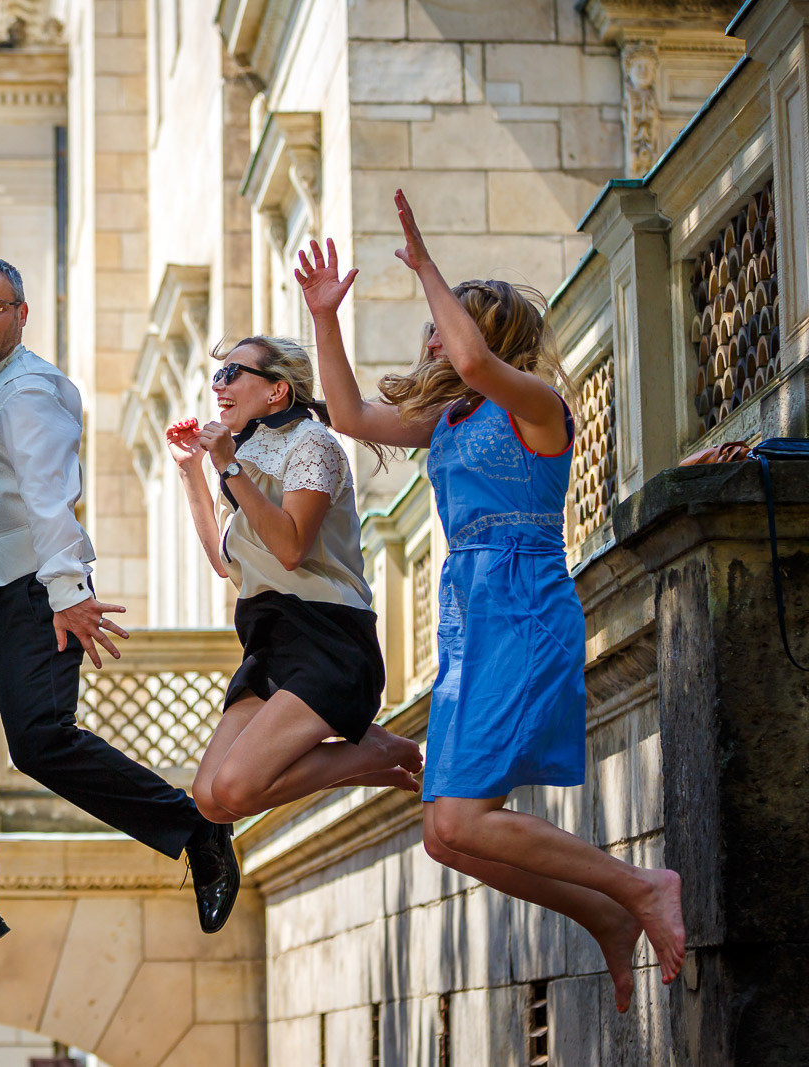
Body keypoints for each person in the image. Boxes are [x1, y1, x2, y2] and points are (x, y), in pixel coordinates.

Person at [296, 193, 685, 1013]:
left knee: (464, 819)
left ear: (488, 335)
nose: (432, 334)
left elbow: (474, 364)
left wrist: (427, 264)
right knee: (446, 834)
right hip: (471, 622)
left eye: (447, 321)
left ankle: (644, 886)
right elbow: (345, 414)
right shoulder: (449, 420)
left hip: (525, 612)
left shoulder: (538, 408)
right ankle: (606, 915)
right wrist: (324, 318)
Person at [0, 256, 241, 1001]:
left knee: (40, 742)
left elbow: (50, 499)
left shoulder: (31, 391)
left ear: (21, 313)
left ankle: (196, 830)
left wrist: (67, 593)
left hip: (36, 595)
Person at [163, 337, 423, 822]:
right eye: (218, 374)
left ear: (277, 391)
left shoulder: (313, 444)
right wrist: (191, 473)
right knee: (211, 799)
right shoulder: (244, 452)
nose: (218, 385)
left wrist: (229, 467)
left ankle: (373, 753)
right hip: (270, 638)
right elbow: (226, 563)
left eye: (233, 373)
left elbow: (290, 549)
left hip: (328, 636)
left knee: (237, 789)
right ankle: (369, 748)